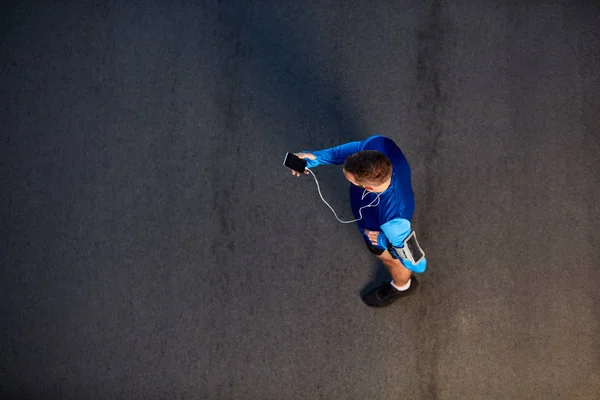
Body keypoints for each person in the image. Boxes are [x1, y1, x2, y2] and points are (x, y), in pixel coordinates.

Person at [291, 134, 426, 307]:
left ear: (368, 188)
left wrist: (384, 240)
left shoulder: (394, 222)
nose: (345, 175)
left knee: (393, 261)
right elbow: (348, 152)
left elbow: (419, 265)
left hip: (379, 231)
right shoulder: (377, 144)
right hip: (374, 209)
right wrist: (314, 158)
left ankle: (402, 286)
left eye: (350, 180)